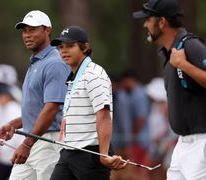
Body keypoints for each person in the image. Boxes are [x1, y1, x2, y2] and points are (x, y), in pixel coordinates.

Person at [133, 0, 206, 179]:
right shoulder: (170, 52)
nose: (144, 24)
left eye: (148, 19)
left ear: (162, 21)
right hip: (183, 144)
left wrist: (183, 64)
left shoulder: (190, 46)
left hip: (201, 144)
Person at [0, 10, 70, 180]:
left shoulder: (55, 63)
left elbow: (51, 109)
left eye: (32, 30)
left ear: (47, 30)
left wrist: (27, 144)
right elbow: (38, 110)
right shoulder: (37, 62)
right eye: (24, 31)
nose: (27, 35)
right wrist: (14, 124)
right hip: (34, 140)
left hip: (49, 142)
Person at [49, 26, 127, 180]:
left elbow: (103, 114)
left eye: (70, 46)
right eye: (61, 47)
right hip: (69, 152)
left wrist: (103, 154)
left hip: (90, 154)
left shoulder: (94, 74)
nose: (64, 51)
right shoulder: (74, 77)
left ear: (85, 47)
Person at [0, 64, 24, 180]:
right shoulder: (0, 108)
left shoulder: (13, 109)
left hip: (12, 159)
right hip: (6, 158)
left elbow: (6, 146)